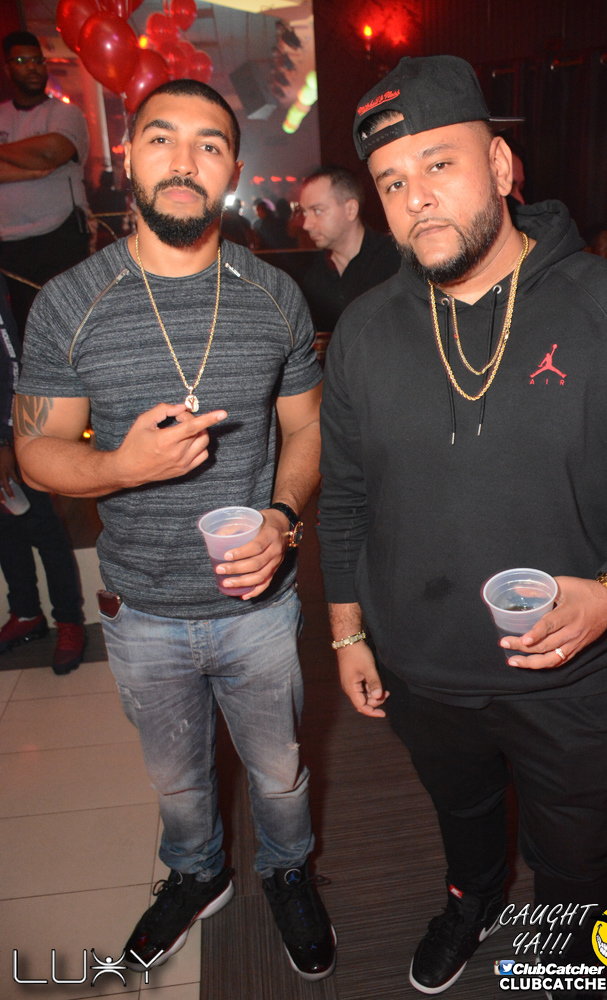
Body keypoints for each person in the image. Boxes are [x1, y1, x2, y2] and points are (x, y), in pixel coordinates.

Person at [317, 55, 607, 996]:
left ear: (502, 167)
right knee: (463, 813)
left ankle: (560, 960)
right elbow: (343, 495)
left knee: (574, 854)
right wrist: (347, 631)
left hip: (568, 671)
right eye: (392, 181)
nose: (417, 198)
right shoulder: (363, 332)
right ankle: (469, 901)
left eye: (440, 164)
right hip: (421, 667)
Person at [14, 78, 335, 982]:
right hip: (142, 607)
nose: (185, 161)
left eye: (209, 144)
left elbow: (307, 427)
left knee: (278, 770)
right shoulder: (70, 300)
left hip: (258, 604)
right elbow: (35, 452)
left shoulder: (274, 295)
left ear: (233, 169)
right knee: (177, 778)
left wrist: (282, 518)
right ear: (128, 158)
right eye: (162, 138)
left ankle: (286, 870)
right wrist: (121, 466)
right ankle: (197, 875)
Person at [0, 273, 85, 674]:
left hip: (12, 435)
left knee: (43, 529)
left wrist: (7, 439)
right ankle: (26, 613)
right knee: (5, 532)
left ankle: (69, 621)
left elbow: (12, 363)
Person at [0, 31, 91, 336]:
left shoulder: (65, 114)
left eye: (38, 60)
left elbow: (51, 153)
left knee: (70, 330)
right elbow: (41, 160)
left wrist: (33, 159)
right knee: (24, 335)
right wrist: (32, 169)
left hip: (60, 237)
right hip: (8, 246)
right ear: (7, 68)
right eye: (22, 60)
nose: (32, 67)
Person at [300, 165, 400, 332]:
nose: (306, 224)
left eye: (317, 211)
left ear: (351, 210)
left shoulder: (395, 262)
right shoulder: (314, 277)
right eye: (304, 213)